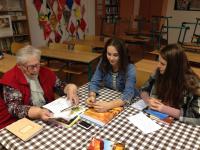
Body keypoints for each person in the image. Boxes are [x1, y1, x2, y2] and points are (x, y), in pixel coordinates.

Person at [0, 45, 79, 129]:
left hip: (49, 114)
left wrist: (70, 89)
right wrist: (38, 112)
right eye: (31, 67)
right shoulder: (11, 79)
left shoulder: (45, 72)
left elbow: (60, 85)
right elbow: (14, 108)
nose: (36, 69)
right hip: (27, 121)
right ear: (20, 66)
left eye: (37, 64)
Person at [140, 44, 200, 125]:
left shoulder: (193, 84)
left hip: (180, 123)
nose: (158, 66)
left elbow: (196, 116)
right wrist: (148, 100)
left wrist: (164, 109)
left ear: (174, 66)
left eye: (162, 63)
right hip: (159, 119)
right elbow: (144, 88)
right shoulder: (159, 73)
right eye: (158, 61)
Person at [86, 38, 138, 112]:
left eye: (115, 55)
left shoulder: (130, 68)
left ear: (122, 55)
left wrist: (109, 105)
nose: (111, 58)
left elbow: (128, 94)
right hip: (111, 97)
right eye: (109, 54)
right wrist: (92, 96)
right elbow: (94, 82)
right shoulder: (103, 62)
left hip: (127, 102)